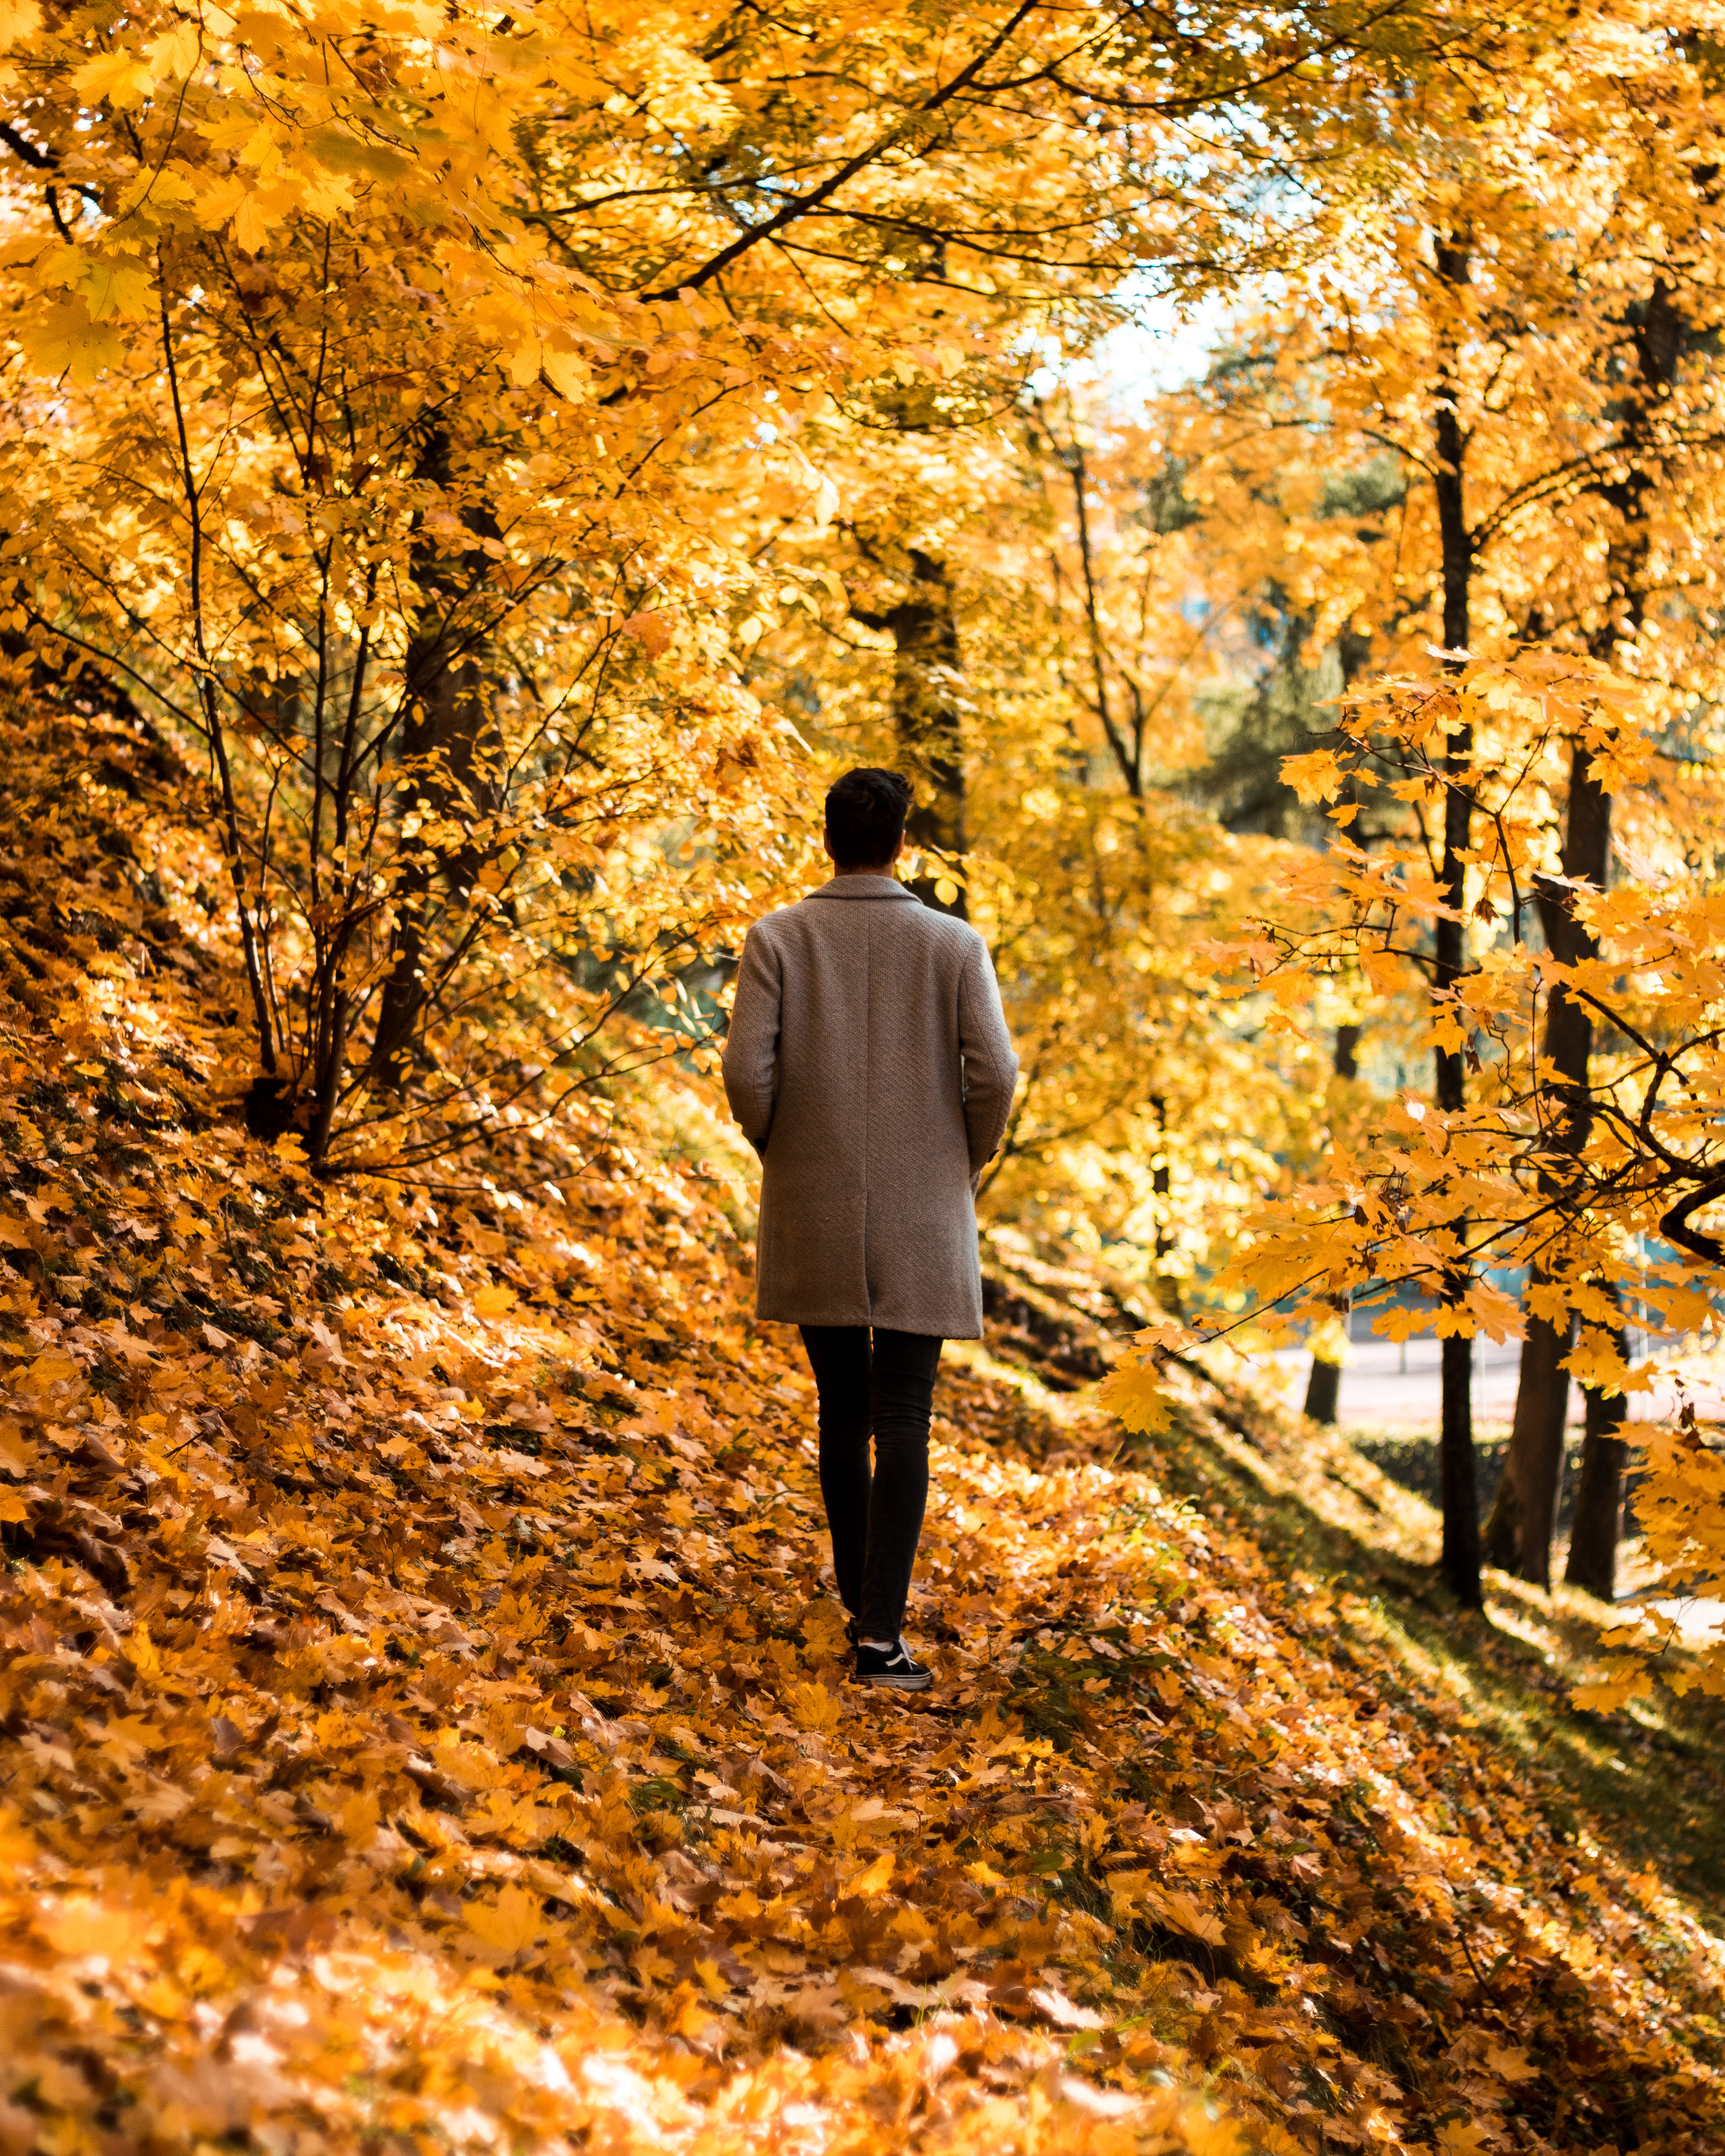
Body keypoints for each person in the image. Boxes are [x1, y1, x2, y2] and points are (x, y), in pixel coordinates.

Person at [721, 768, 1019, 1690]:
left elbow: (745, 1074)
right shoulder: (954, 943)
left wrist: (786, 1143)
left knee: (843, 1412)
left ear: (828, 837)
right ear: (903, 843)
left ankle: (864, 1613)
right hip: (925, 1210)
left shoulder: (777, 938)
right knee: (904, 1413)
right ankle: (880, 1637)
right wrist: (961, 1160)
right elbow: (997, 1074)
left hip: (812, 1200)